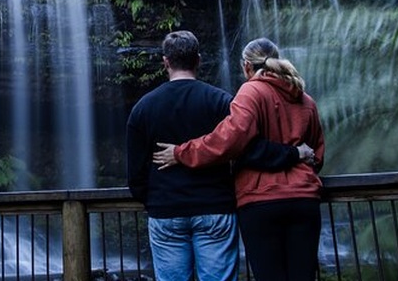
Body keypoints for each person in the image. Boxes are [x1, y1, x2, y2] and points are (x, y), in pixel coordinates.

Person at [126, 31, 311, 281]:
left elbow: (136, 174)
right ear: (198, 60)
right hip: (215, 207)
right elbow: (249, 149)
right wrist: (295, 153)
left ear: (165, 62)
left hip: (166, 208)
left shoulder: (142, 109)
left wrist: (154, 199)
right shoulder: (221, 101)